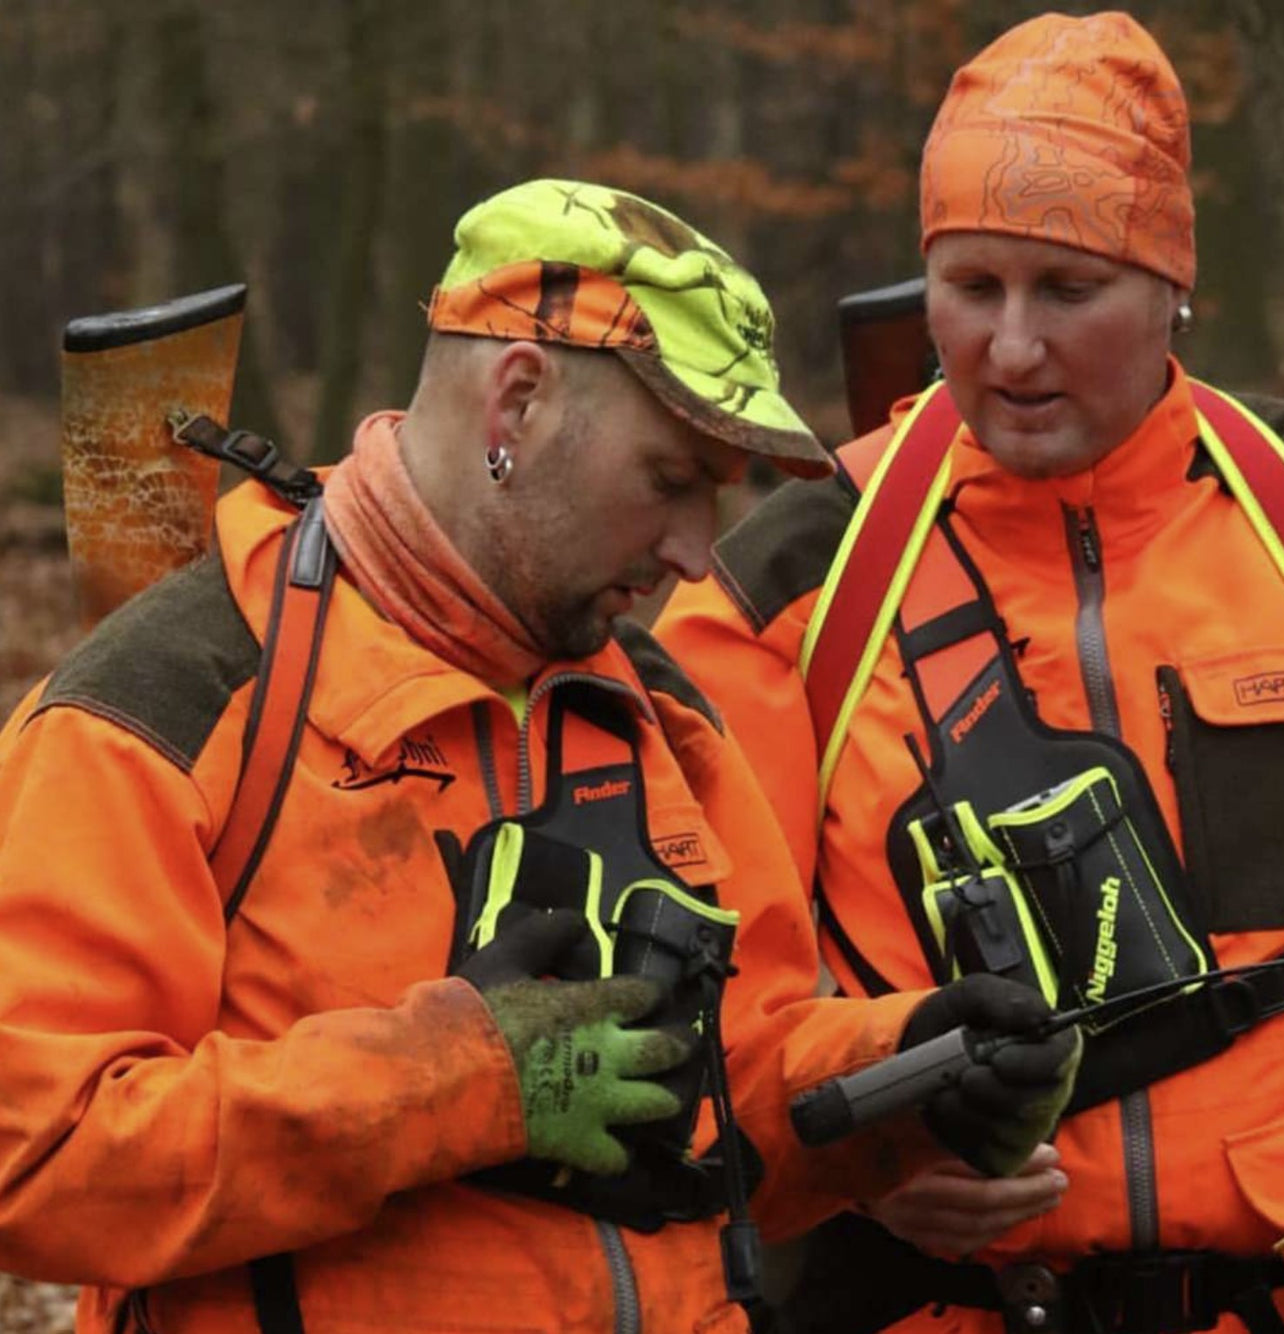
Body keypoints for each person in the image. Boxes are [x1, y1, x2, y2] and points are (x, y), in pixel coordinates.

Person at [0, 178, 1081, 1334]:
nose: (691, 552)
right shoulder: (172, 700)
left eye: (713, 497)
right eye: (668, 480)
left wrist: (908, 1077)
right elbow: (37, 1152)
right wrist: (447, 1080)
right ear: (515, 400)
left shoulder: (661, 715)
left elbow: (727, 1093)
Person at [657, 13, 1284, 1334]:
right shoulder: (786, 585)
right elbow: (711, 1014)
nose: (1010, 350)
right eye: (970, 287)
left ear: (1172, 287)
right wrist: (853, 1163)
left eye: (1067, 291)